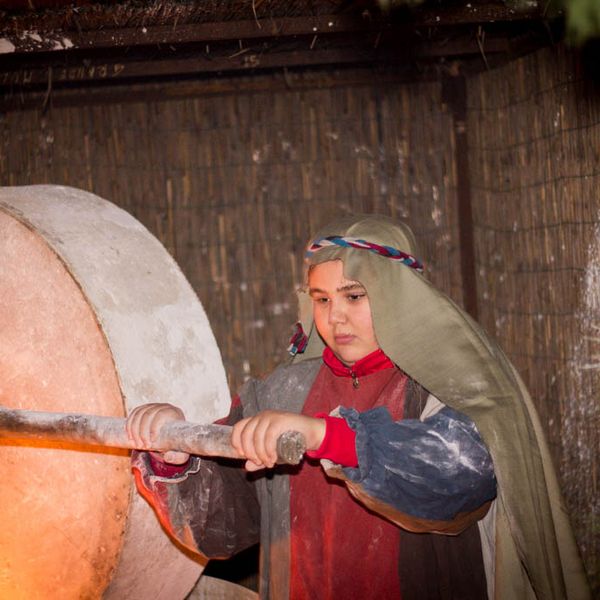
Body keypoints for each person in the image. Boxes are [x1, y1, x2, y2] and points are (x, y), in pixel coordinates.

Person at [126, 215, 589, 600]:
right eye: (322, 300)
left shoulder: (447, 386)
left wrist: (325, 435)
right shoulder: (281, 393)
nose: (335, 316)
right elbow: (224, 526)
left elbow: (460, 475)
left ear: (397, 295)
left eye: (354, 295)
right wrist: (176, 458)